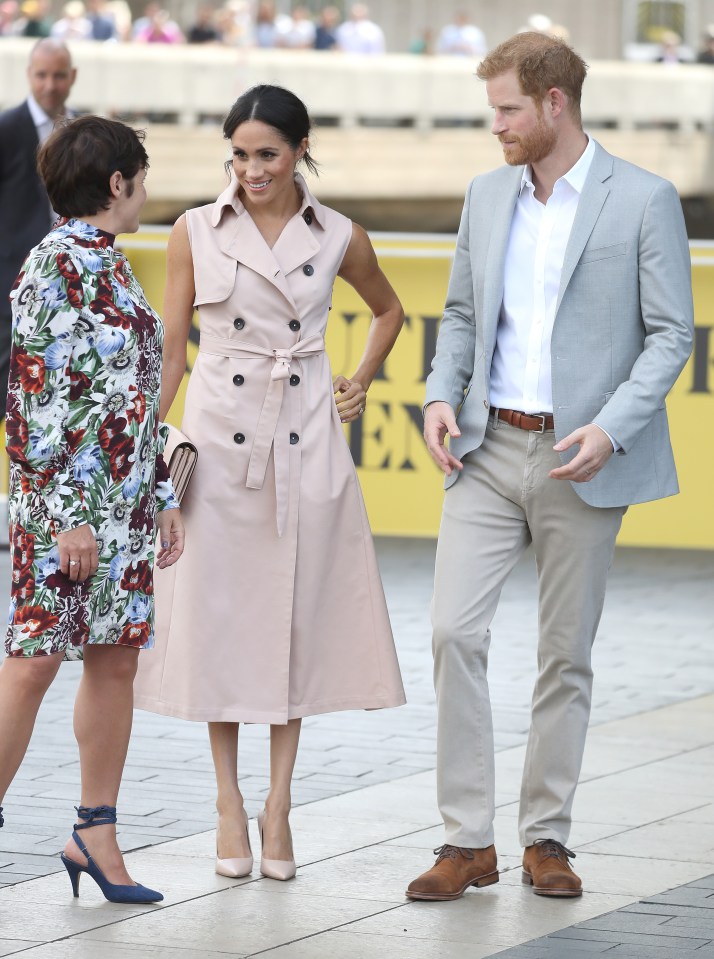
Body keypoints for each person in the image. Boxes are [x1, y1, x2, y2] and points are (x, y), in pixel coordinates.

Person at [407, 32, 694, 902]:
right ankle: (466, 841)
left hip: (583, 457)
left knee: (564, 655)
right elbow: (460, 311)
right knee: (454, 632)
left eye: (507, 109)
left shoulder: (643, 199)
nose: (495, 125)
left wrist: (611, 427)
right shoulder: (486, 195)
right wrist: (438, 393)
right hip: (488, 448)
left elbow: (671, 333)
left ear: (554, 104)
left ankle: (546, 838)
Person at [133, 83, 406, 882]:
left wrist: (358, 377)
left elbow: (387, 310)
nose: (252, 169)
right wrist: (151, 453)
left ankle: (277, 806)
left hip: (305, 441)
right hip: (219, 447)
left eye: (268, 154)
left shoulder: (339, 235)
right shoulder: (192, 230)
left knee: (291, 625)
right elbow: (174, 350)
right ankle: (226, 801)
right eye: (241, 154)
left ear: (299, 151)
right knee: (220, 623)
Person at [0, 115, 185, 902]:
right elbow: (32, 401)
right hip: (65, 510)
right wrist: (69, 516)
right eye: (139, 175)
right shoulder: (56, 263)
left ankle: (95, 834)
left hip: (125, 508)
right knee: (35, 661)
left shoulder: (110, 264)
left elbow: (127, 397)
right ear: (117, 183)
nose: (145, 189)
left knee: (114, 659)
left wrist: (164, 496)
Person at [0, 39, 76, 423]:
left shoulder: (82, 133)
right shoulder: (6, 129)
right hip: (9, 289)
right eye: (42, 75)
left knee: (54, 399)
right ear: (29, 76)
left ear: (72, 77)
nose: (50, 85)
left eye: (59, 75)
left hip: (70, 289)